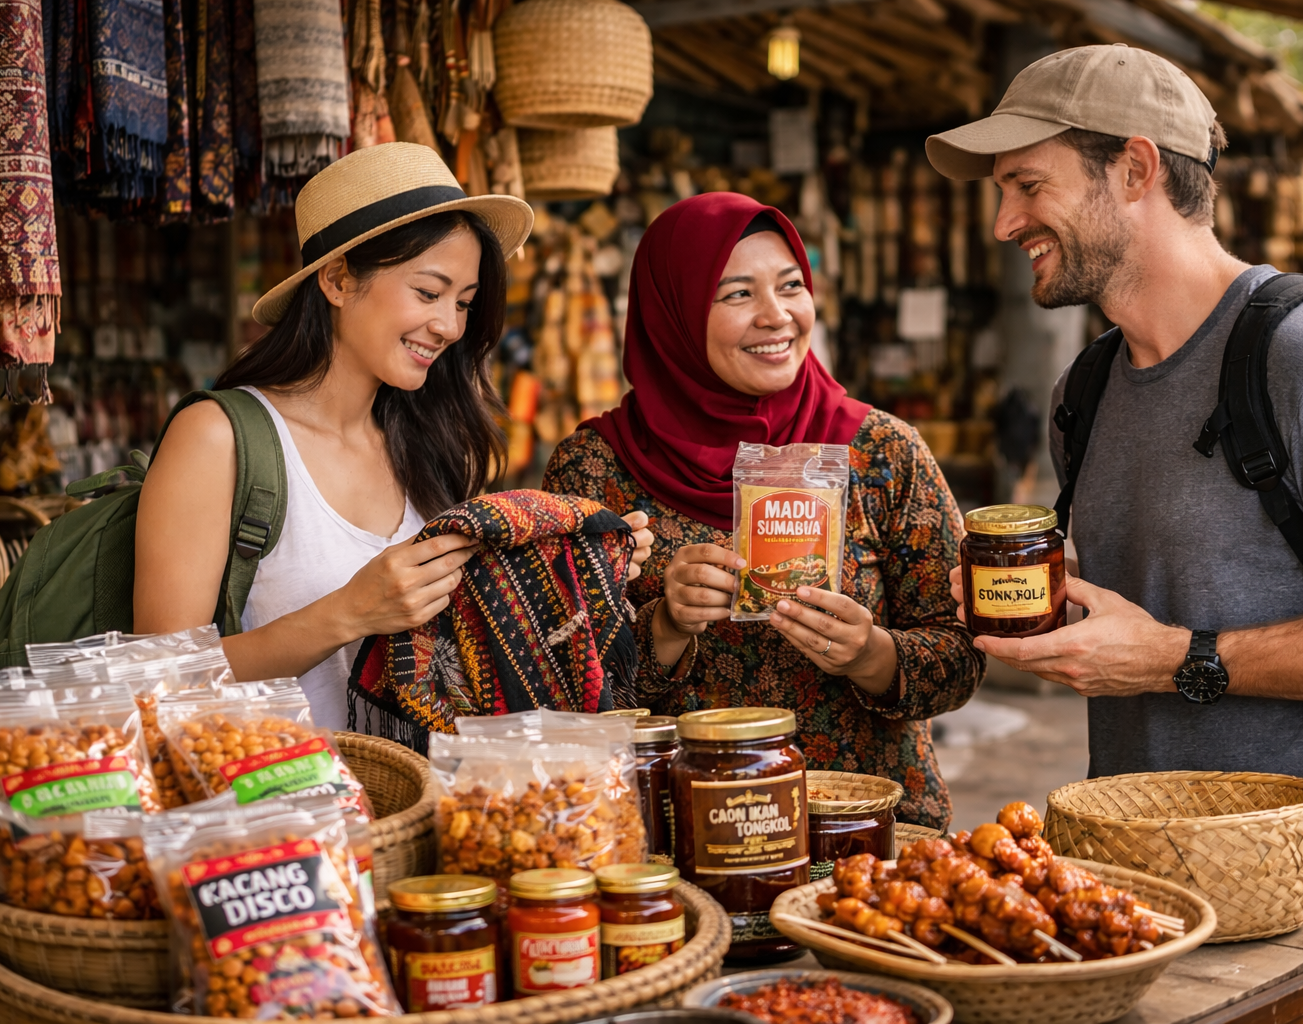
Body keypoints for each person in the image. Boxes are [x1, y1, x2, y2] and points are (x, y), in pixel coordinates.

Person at [929, 44, 1303, 1021]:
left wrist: (1174, 658)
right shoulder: (1084, 392)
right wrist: (1039, 611)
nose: (1004, 222)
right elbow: (1174, 594)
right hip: (1153, 917)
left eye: (1027, 185)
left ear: (1135, 169)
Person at [135, 142, 653, 729]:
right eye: (428, 293)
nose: (449, 326)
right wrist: (348, 613)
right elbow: (157, 680)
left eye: (464, 303)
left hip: (418, 783)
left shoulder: (429, 442)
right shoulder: (218, 437)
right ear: (337, 280)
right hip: (281, 784)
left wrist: (574, 573)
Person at [542, 191, 981, 829]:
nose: (777, 316)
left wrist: (870, 655)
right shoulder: (596, 469)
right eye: (737, 294)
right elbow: (556, 678)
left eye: (791, 285)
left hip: (861, 830)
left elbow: (962, 653)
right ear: (674, 314)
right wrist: (665, 626)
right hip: (679, 834)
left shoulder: (881, 451)